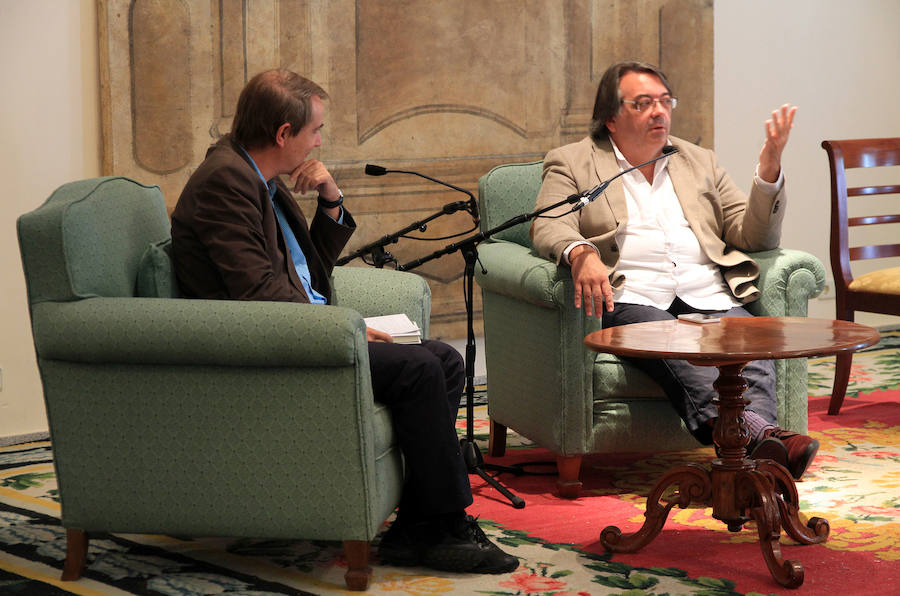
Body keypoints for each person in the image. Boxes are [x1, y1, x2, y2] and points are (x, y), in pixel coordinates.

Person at [170, 69, 518, 574]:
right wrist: (346, 328)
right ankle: (439, 525)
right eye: (315, 131)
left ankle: (421, 524)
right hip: (268, 348)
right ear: (284, 134)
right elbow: (258, 295)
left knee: (442, 359)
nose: (319, 141)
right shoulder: (227, 181)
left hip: (304, 327)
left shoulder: (256, 175)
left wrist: (330, 199)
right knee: (422, 368)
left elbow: (306, 267)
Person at [530, 60, 818, 480]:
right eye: (643, 103)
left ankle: (757, 449)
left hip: (706, 291)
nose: (659, 112)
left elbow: (751, 236)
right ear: (610, 118)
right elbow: (547, 223)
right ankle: (762, 441)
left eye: (665, 101)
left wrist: (769, 171)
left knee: (748, 350)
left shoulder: (697, 160)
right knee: (680, 349)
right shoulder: (573, 162)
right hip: (633, 296)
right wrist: (580, 252)